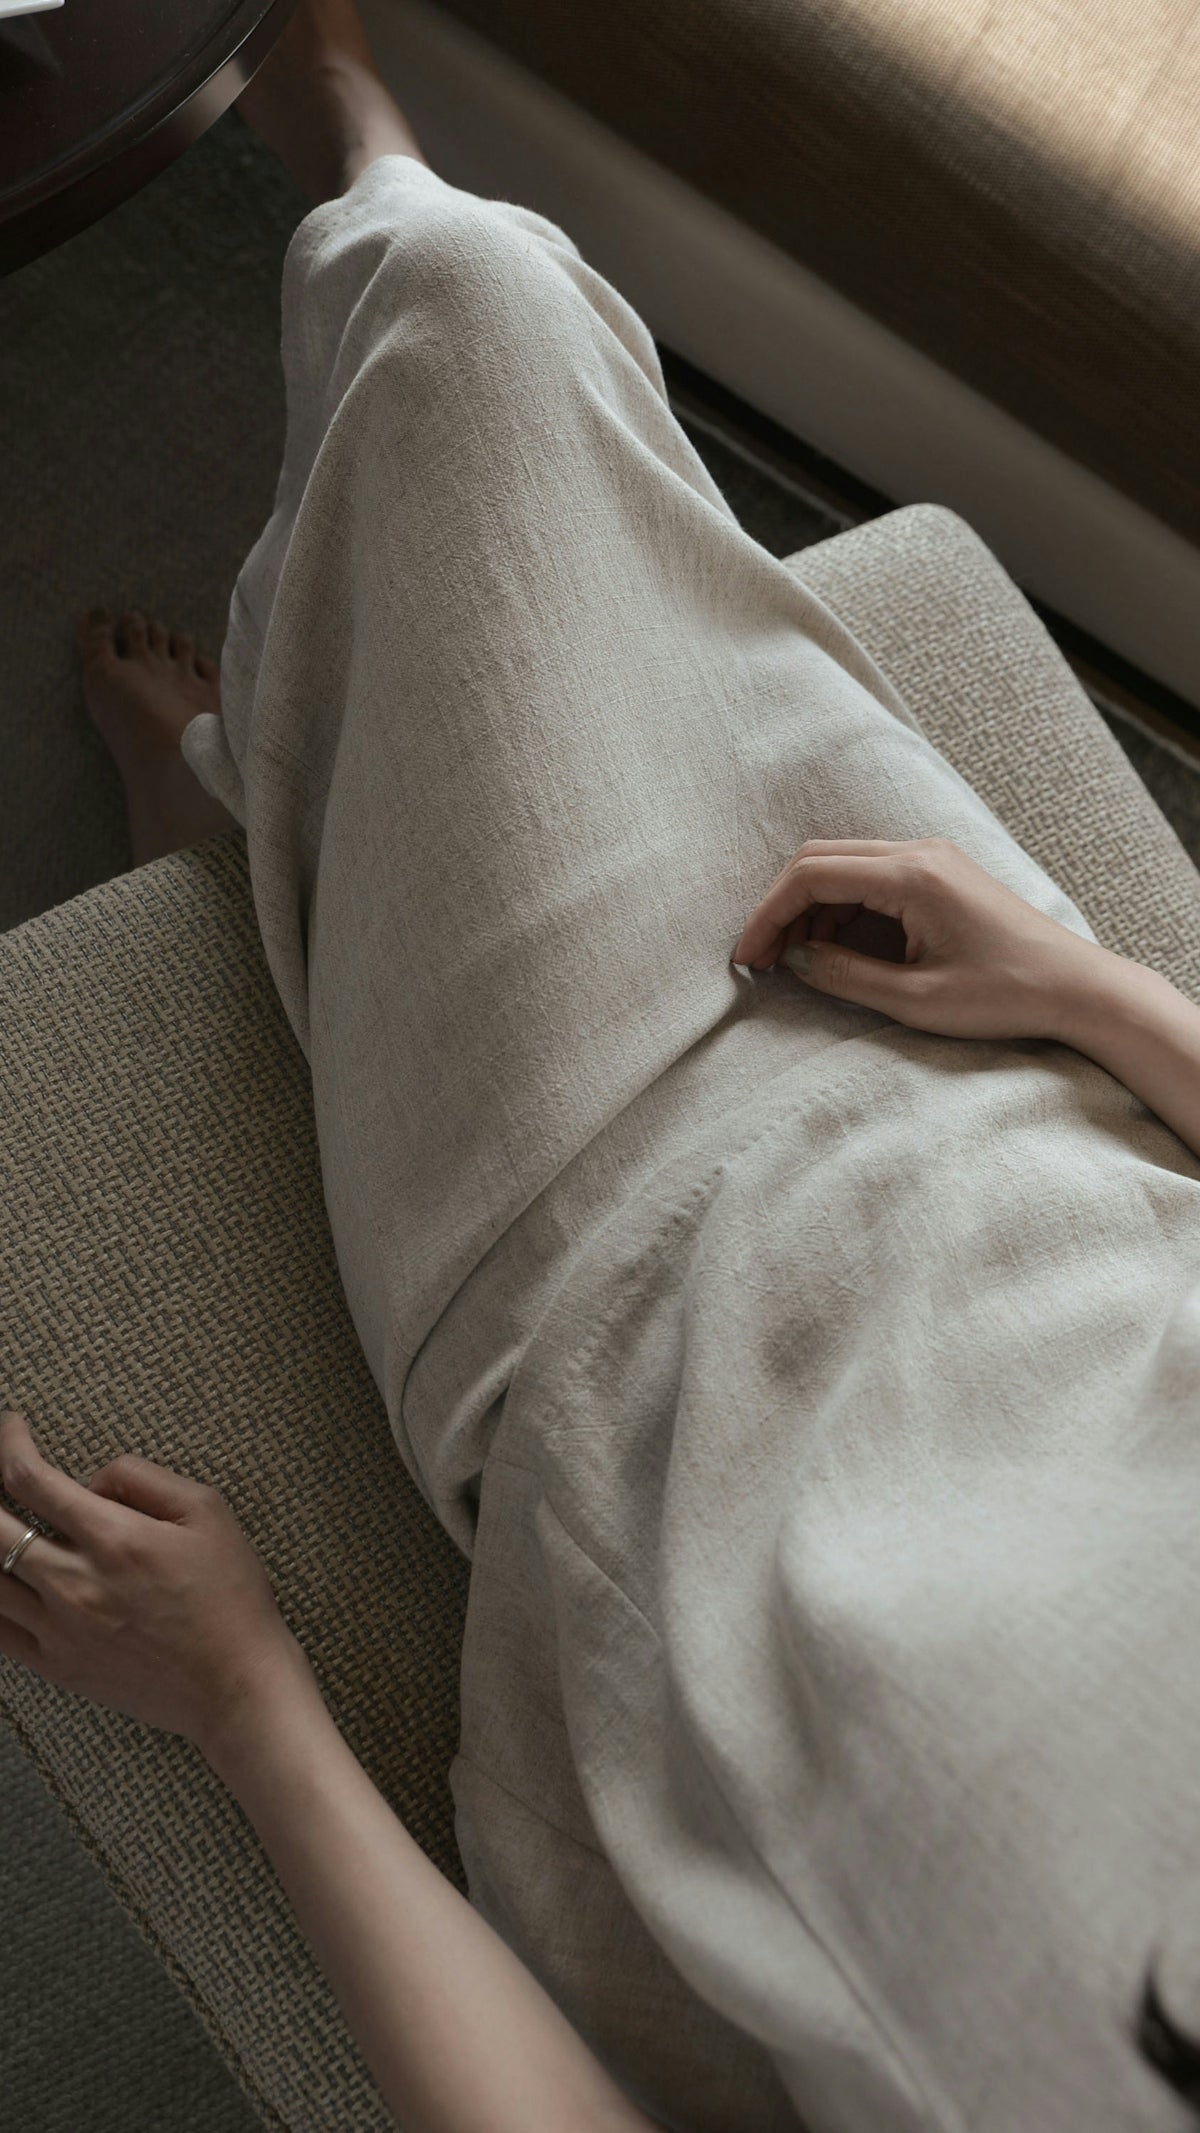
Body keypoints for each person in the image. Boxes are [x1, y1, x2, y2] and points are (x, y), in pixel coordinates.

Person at [7, 2, 1200, 2128]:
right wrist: (1087, 989)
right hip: (1021, 1107)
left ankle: (247, 800)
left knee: (462, 310)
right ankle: (349, 163)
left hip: (626, 1333)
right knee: (490, 322)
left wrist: (252, 1700)